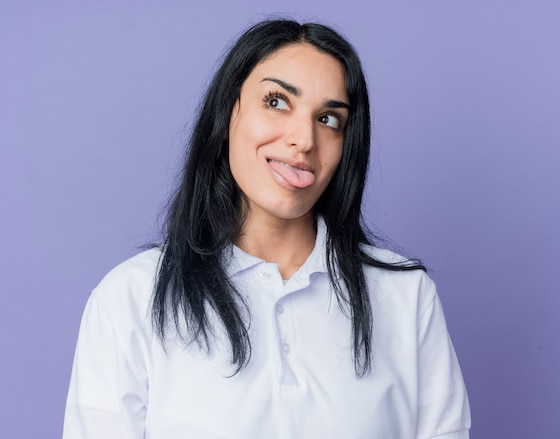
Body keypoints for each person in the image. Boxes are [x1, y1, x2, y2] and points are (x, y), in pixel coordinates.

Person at [63, 19, 471, 439]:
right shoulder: (132, 298)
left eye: (329, 119)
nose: (304, 139)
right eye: (276, 101)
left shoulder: (405, 295)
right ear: (228, 114)